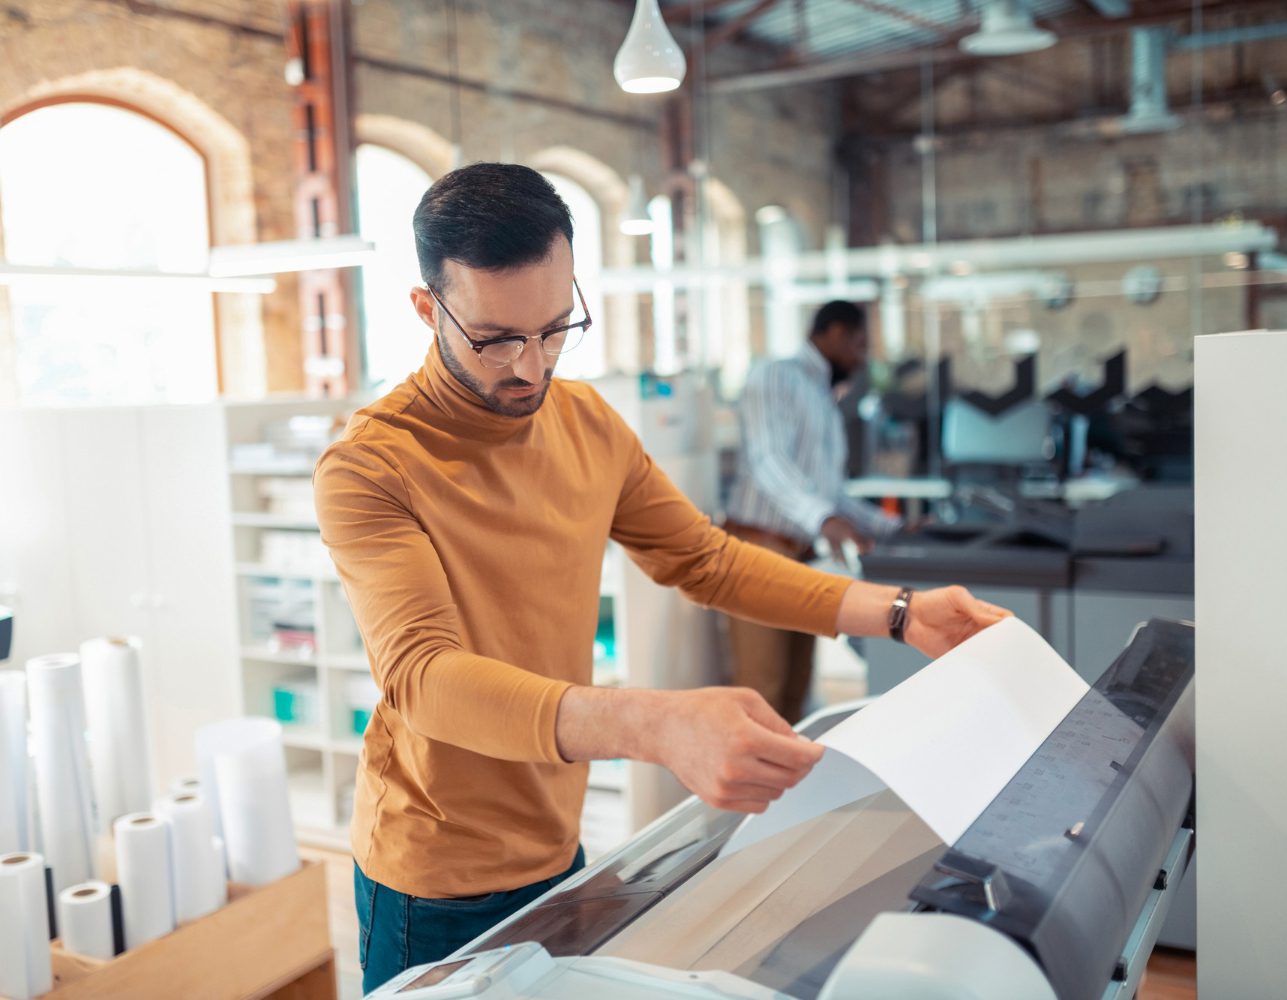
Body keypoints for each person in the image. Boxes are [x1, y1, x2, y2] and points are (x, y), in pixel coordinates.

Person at [313, 163, 1009, 993]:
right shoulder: (371, 467)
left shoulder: (585, 423)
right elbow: (424, 678)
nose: (532, 367)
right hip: (431, 874)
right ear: (430, 310)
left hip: (557, 843)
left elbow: (704, 558)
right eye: (496, 338)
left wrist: (899, 613)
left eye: (555, 327)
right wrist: (654, 727)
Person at [722, 301, 902, 724]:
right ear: (835, 333)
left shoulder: (823, 397)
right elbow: (768, 460)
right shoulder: (775, 375)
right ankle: (750, 793)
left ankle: (781, 792)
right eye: (859, 344)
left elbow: (830, 493)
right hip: (758, 550)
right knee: (761, 694)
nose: (862, 358)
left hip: (798, 555)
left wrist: (894, 527)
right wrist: (822, 519)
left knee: (796, 694)